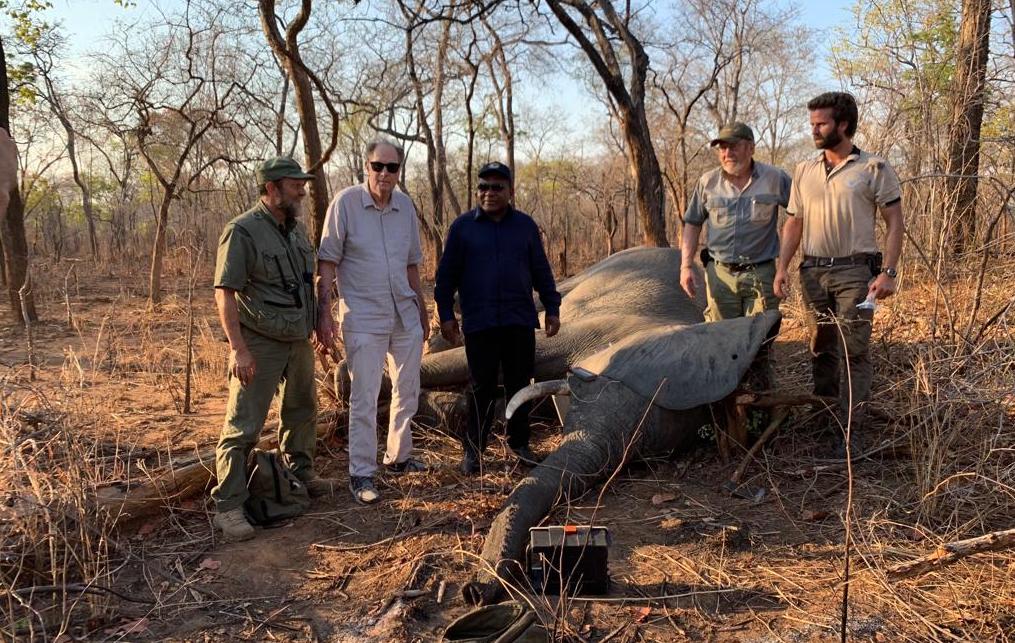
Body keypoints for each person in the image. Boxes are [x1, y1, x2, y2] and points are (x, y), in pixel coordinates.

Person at [211, 157, 337, 542]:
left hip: (298, 339)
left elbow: (307, 282)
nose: (302, 189)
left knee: (301, 410)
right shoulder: (242, 232)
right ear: (271, 188)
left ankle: (300, 473)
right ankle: (229, 505)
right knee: (243, 424)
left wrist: (320, 321)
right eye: (294, 183)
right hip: (260, 343)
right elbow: (225, 293)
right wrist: (239, 350)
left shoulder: (296, 231)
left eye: (302, 183)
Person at [773, 91, 904, 434]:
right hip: (813, 272)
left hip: (855, 273)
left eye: (821, 124)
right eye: (812, 124)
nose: (814, 130)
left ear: (843, 124)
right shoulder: (804, 170)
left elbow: (895, 223)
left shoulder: (873, 167)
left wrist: (888, 273)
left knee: (854, 351)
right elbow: (794, 222)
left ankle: (850, 431)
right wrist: (782, 267)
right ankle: (823, 418)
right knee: (820, 348)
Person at [317, 140, 430, 505]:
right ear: (366, 166)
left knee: (407, 388)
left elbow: (412, 263)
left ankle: (398, 456)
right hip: (363, 315)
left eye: (392, 167)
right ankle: (362, 472)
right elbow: (327, 261)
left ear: (399, 171)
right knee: (364, 396)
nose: (384, 174)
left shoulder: (405, 207)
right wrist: (325, 314)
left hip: (404, 312)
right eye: (377, 166)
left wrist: (423, 310)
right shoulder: (346, 204)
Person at [434, 161, 562, 475]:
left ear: (510, 191)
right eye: (484, 187)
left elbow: (541, 272)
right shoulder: (463, 228)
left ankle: (519, 444)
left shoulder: (525, 226)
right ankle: (474, 451)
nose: (489, 193)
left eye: (497, 187)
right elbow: (446, 276)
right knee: (481, 387)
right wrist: (446, 315)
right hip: (480, 323)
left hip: (519, 320)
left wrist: (553, 307)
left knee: (521, 384)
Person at [680, 122, 790, 388]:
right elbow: (692, 222)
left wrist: (785, 265)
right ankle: (723, 404)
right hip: (719, 274)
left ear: (750, 148)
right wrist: (685, 266)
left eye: (733, 146)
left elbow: (799, 215)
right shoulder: (708, 182)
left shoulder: (775, 178)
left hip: (761, 273)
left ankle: (761, 404)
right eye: (722, 147)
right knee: (720, 341)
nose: (727, 153)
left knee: (760, 341)